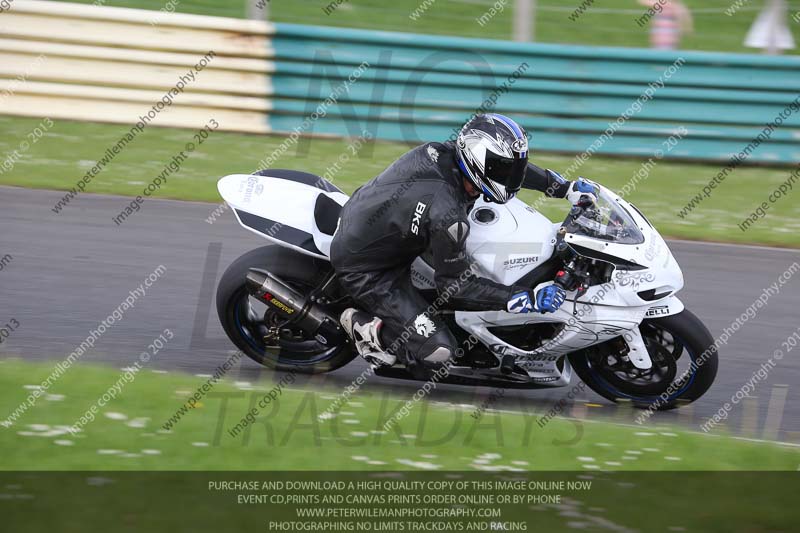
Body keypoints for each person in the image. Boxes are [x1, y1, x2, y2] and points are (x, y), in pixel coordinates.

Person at [330, 114, 597, 371]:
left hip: (373, 219)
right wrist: (522, 297)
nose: (513, 174)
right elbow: (453, 287)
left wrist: (563, 187)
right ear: (479, 162)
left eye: (513, 166)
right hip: (370, 270)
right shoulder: (448, 218)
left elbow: (506, 172)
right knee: (439, 353)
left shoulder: (444, 153)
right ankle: (368, 330)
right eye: (505, 168)